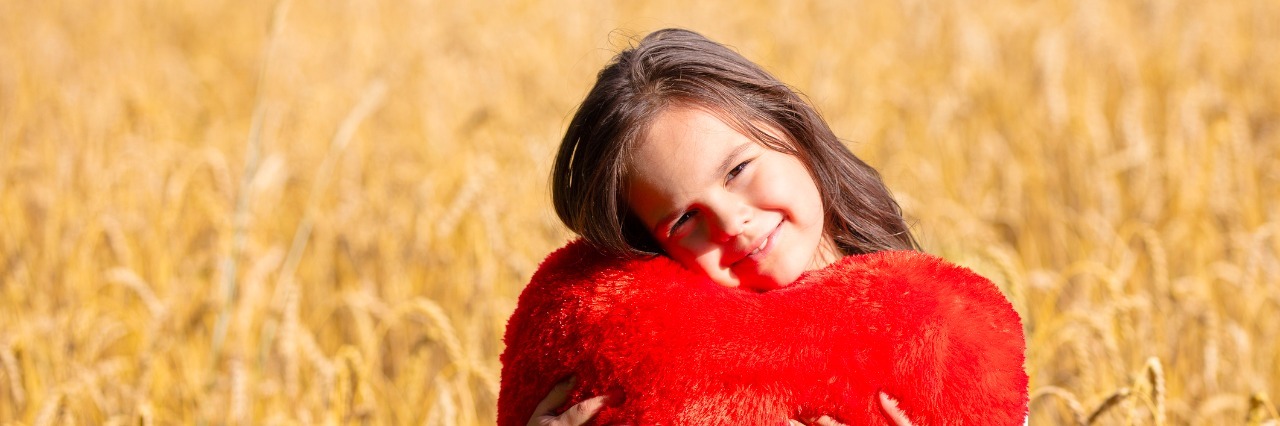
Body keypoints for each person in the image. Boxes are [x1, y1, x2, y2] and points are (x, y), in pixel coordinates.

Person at [528, 28, 930, 425]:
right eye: (684, 219)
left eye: (737, 170)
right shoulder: (687, 388)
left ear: (790, 126)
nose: (730, 223)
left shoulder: (933, 320)